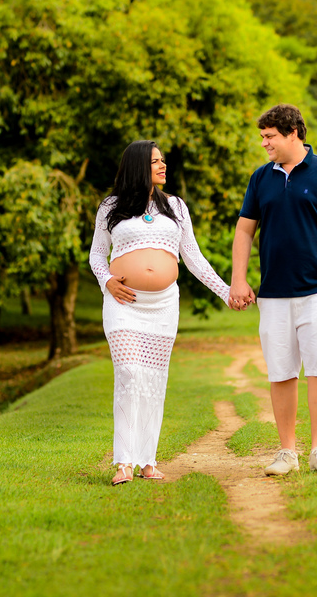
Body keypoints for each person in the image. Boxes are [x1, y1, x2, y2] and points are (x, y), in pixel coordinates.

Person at [89, 140, 234, 486]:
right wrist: (107, 281)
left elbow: (194, 258)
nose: (163, 165)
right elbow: (96, 254)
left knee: (153, 380)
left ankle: (147, 460)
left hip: (163, 306)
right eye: (155, 161)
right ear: (138, 165)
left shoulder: (176, 207)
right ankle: (124, 461)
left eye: (163, 160)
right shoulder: (111, 207)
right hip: (124, 304)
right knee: (128, 373)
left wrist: (226, 292)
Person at [229, 104, 317, 475]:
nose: (264, 143)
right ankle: (287, 452)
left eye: (270, 136)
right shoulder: (260, 178)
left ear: (293, 133)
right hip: (273, 292)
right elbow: (244, 230)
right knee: (281, 371)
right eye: (263, 137)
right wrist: (239, 278)